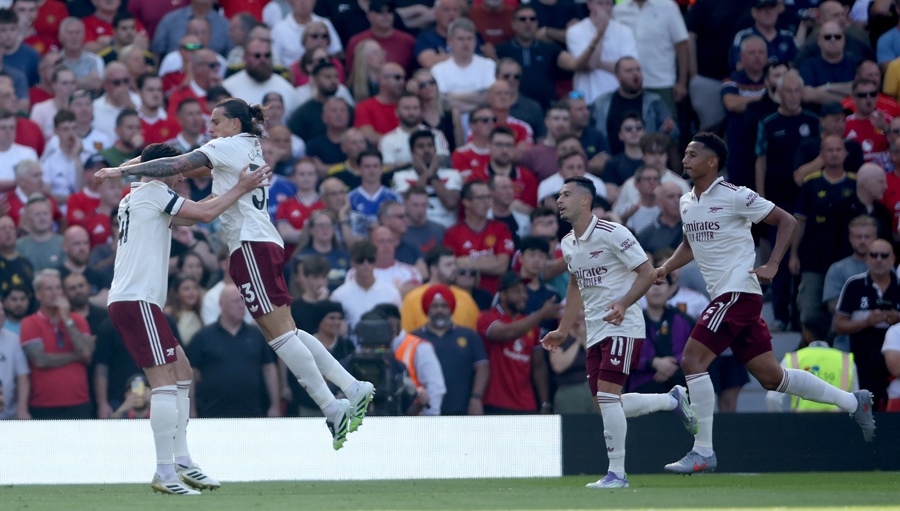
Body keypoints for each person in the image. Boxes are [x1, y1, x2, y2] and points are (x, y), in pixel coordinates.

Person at [96, 99, 375, 451]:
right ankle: (350, 388)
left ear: (234, 125)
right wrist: (135, 164)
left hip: (249, 245)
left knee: (279, 338)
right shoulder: (244, 147)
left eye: (216, 121)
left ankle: (333, 407)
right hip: (263, 241)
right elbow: (181, 168)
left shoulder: (225, 146)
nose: (209, 127)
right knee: (288, 331)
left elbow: (179, 164)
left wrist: (119, 172)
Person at [654, 133, 876, 475]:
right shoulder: (687, 202)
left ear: (712, 162)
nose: (684, 159)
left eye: (692, 154)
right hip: (726, 297)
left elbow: (786, 220)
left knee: (691, 359)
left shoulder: (735, 195)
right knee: (772, 377)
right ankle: (852, 401)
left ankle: (703, 451)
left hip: (739, 292)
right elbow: (690, 241)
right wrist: (666, 267)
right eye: (684, 154)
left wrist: (773, 263)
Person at [541, 176, 697, 489]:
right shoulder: (568, 243)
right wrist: (562, 329)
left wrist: (624, 303)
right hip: (596, 330)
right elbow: (574, 284)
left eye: (566, 194)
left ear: (585, 200)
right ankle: (672, 400)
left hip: (623, 325)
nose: (559, 200)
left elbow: (647, 272)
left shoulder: (613, 232)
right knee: (607, 404)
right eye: (558, 195)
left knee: (608, 399)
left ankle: (617, 474)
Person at [413, 284, 488, 415]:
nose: (439, 310)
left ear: (451, 308)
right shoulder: (414, 338)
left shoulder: (469, 336)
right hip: (426, 413)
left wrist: (476, 397)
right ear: (427, 309)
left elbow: (482, 367)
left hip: (462, 410)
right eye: (434, 306)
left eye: (444, 306)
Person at [766, 319, 859, 412]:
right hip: (837, 423)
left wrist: (780, 424)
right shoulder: (846, 360)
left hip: (802, 422)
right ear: (829, 333)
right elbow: (855, 402)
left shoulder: (793, 359)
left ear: (806, 333)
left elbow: (772, 398)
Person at [0, 302, 30, 419]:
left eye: (2, 309)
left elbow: (23, 376)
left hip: (9, 416)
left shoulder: (14, 340)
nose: (2, 314)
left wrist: (22, 409)